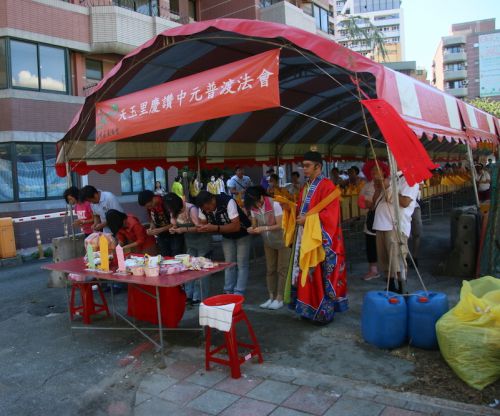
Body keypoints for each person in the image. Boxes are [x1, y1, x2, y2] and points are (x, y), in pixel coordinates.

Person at [285, 151, 347, 324]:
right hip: (305, 237)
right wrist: (289, 209)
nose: (304, 169)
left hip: (320, 239)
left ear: (318, 167)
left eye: (307, 166)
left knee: (318, 275)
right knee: (306, 274)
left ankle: (322, 314)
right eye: (303, 165)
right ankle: (307, 310)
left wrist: (308, 220)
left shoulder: (327, 186)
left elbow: (331, 216)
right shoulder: (305, 186)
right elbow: (301, 210)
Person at [196, 190, 252, 295]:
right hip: (226, 235)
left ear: (212, 200)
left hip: (242, 233)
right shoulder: (203, 208)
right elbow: (203, 224)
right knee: (229, 264)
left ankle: (239, 292)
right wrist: (203, 228)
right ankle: (228, 291)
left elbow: (236, 226)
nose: (207, 211)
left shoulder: (228, 202)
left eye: (208, 208)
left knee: (242, 264)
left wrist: (215, 228)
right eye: (204, 210)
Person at [372, 172, 419, 294]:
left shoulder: (410, 179)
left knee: (397, 259)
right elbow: (376, 201)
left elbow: (404, 202)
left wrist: (388, 187)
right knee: (385, 260)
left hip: (395, 225)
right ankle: (391, 285)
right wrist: (380, 186)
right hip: (381, 223)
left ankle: (402, 288)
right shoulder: (394, 178)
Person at [245, 187, 291, 310]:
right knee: (270, 269)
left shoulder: (274, 203)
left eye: (255, 202)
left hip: (282, 241)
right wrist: (252, 228)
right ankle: (271, 297)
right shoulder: (253, 207)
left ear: (260, 197)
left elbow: (280, 224)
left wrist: (263, 228)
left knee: (282, 269)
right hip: (268, 242)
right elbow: (255, 224)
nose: (255, 206)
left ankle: (280, 298)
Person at [164, 193, 213, 304]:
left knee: (201, 268)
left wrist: (184, 230)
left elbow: (199, 228)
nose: (168, 209)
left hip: (202, 241)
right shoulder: (173, 211)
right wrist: (174, 229)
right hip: (190, 242)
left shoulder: (191, 209)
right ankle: (188, 294)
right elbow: (175, 225)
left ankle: (199, 296)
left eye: (169, 206)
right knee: (189, 267)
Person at [358, 162, 389, 281]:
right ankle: (373, 270)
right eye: (372, 170)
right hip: (371, 220)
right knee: (371, 245)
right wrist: (365, 204)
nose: (374, 172)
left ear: (383, 171)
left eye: (377, 170)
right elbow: (360, 201)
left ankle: (388, 272)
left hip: (386, 220)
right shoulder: (367, 186)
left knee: (386, 246)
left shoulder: (389, 183)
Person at [137, 190, 183, 257]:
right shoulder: (150, 207)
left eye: (149, 206)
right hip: (161, 236)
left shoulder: (166, 203)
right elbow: (152, 219)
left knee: (176, 256)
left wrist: (159, 230)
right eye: (147, 207)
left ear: (153, 198)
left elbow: (177, 222)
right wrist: (151, 227)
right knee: (164, 256)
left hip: (174, 233)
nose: (149, 208)